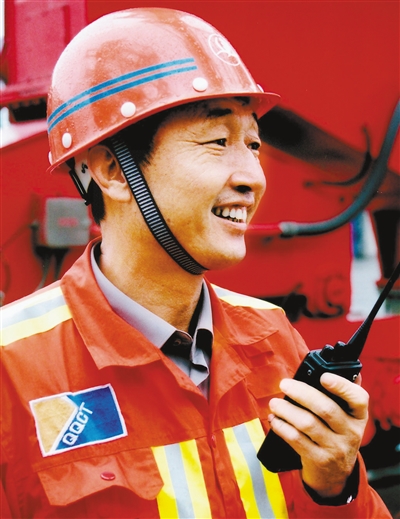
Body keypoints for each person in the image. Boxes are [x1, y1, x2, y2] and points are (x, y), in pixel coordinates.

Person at [0, 8, 391, 519]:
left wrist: (334, 488)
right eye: (218, 142)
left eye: (253, 144)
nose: (253, 177)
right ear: (112, 170)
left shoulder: (273, 336)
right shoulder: (12, 370)